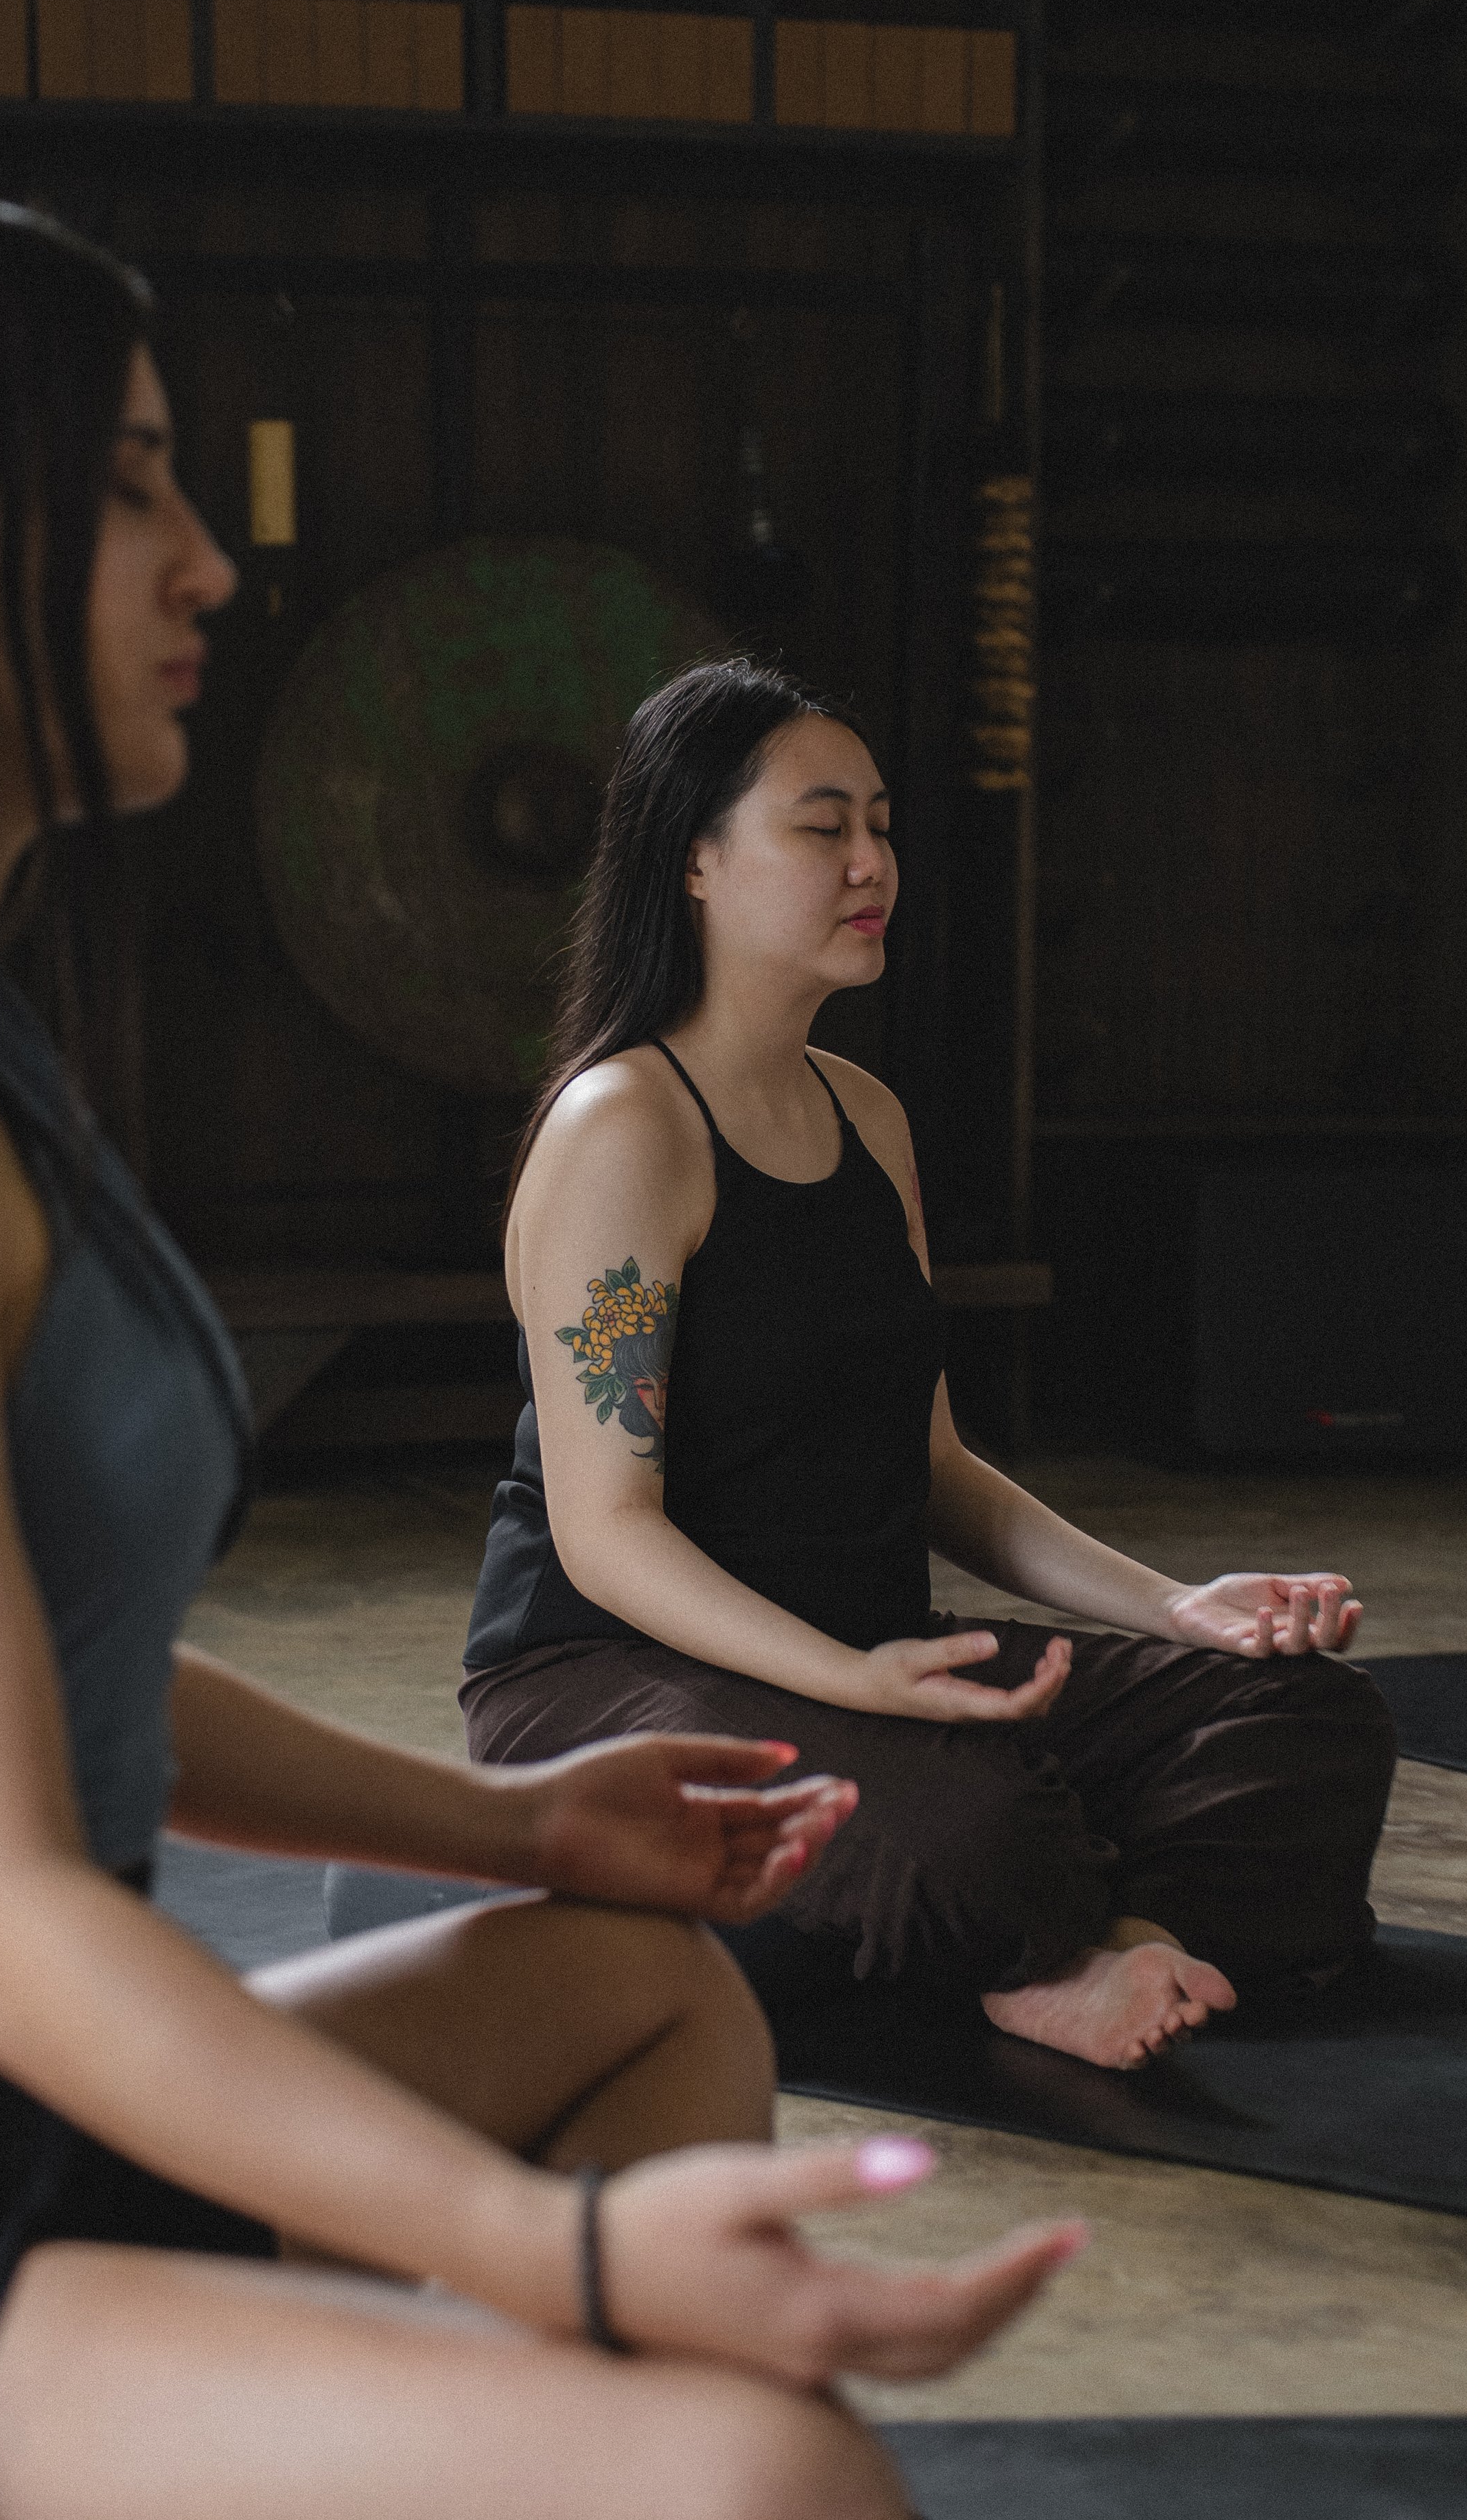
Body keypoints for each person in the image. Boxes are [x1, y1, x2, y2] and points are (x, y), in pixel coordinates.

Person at [0, 187, 1087, 2520]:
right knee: (749, 2477)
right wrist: (560, 2258)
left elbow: (32, 1677)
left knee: (650, 1980)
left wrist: (511, 1822)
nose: (209, 564)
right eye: (135, 481)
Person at [462, 657, 1398, 2073]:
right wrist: (854, 1685)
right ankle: (1044, 1946)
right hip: (613, 1674)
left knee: (1299, 1719)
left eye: (878, 824)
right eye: (820, 826)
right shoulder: (624, 1126)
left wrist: (1178, 1608)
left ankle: (1101, 1937)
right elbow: (603, 1539)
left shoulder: (865, 1118)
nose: (869, 861)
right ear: (693, 861)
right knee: (972, 1822)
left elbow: (935, 1467)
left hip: (869, 1664)